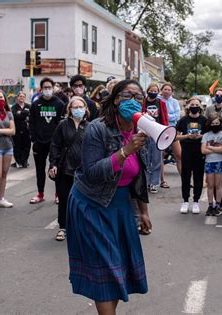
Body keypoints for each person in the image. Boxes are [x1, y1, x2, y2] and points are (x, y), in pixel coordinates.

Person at [67, 79, 151, 313]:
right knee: (105, 268)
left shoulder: (140, 129)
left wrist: (143, 211)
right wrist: (124, 152)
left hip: (121, 205)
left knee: (117, 269)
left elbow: (139, 174)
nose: (132, 101)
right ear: (115, 99)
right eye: (127, 95)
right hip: (92, 204)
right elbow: (92, 173)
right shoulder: (97, 128)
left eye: (138, 97)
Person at [48, 96, 89, 241]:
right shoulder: (63, 125)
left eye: (81, 107)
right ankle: (62, 227)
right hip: (65, 168)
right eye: (75, 107)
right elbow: (55, 145)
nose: (78, 110)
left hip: (83, 171)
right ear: (70, 110)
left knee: (82, 200)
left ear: (85, 109)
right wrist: (53, 164)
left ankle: (80, 227)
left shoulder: (89, 126)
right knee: (64, 199)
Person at [29, 77, 65, 205]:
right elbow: (31, 123)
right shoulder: (36, 104)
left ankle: (58, 195)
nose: (48, 90)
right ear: (41, 89)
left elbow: (63, 123)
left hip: (55, 144)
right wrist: (34, 138)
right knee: (40, 170)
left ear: (53, 88)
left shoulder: (60, 104)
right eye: (45, 88)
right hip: (39, 143)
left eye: (50, 87)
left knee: (56, 169)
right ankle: (40, 194)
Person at [176, 97, 206, 214]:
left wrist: (201, 136)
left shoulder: (204, 120)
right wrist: (187, 136)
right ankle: (185, 201)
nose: (194, 106)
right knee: (185, 176)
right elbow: (176, 136)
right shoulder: (183, 120)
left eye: (196, 104)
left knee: (198, 177)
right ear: (188, 107)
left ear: (200, 106)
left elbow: (209, 135)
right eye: (192, 104)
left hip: (200, 151)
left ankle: (196, 202)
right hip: (186, 150)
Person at [142, 83, 169, 194]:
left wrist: (165, 132)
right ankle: (146, 181)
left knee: (157, 159)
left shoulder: (161, 103)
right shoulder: (142, 102)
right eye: (151, 90)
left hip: (157, 133)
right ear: (147, 91)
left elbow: (165, 118)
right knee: (145, 158)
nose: (153, 93)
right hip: (144, 132)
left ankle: (155, 182)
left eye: (155, 91)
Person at [201, 113, 222, 216]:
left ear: (220, 123)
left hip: (220, 162)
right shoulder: (206, 135)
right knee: (210, 185)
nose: (215, 124)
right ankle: (210, 205)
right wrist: (216, 149)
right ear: (209, 124)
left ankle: (218, 205)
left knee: (218, 185)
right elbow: (203, 150)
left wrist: (210, 147)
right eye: (213, 123)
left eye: (217, 123)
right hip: (209, 163)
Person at [159, 82, 181, 187]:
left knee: (179, 155)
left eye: (169, 90)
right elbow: (157, 115)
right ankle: (162, 180)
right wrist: (167, 116)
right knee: (160, 155)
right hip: (160, 130)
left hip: (172, 130)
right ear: (161, 90)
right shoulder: (158, 100)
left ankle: (184, 179)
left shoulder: (175, 102)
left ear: (172, 92)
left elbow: (176, 116)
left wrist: (164, 115)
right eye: (165, 89)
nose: (167, 91)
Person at [11, 91, 31, 168]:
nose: (22, 97)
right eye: (20, 96)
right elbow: (15, 116)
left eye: (23, 96)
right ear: (17, 98)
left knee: (26, 146)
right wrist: (25, 113)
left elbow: (31, 116)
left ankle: (24, 161)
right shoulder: (14, 107)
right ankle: (18, 161)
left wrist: (21, 113)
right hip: (17, 130)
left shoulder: (29, 106)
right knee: (17, 147)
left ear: (25, 98)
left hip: (27, 131)